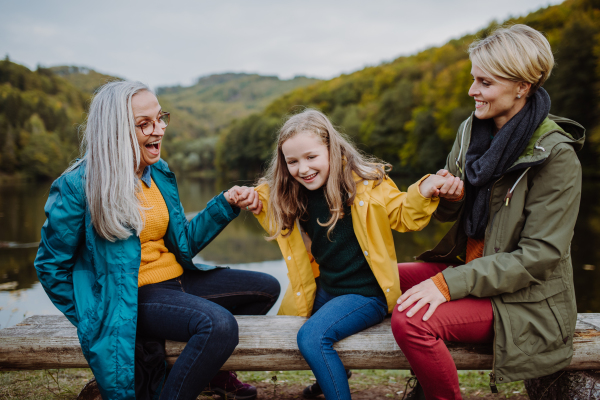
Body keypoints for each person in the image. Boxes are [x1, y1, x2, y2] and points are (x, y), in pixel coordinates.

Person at [34, 81, 280, 400]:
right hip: (135, 295)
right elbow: (50, 266)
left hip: (178, 279)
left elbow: (184, 244)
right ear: (116, 131)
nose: (159, 129)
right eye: (145, 124)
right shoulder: (79, 184)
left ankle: (211, 371)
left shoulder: (158, 172)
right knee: (219, 326)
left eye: (161, 117)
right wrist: (94, 314)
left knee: (265, 288)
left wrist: (225, 204)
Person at [391, 24, 585, 400]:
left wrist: (448, 285)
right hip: (474, 270)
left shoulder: (557, 156)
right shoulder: (470, 131)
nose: (472, 92)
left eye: (484, 82)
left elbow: (538, 257)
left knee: (411, 321)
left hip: (525, 299)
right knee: (379, 277)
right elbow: (451, 217)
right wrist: (449, 195)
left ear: (522, 86)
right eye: (472, 79)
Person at [246, 109, 459, 400]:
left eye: (311, 157)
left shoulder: (367, 183)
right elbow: (267, 200)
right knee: (291, 317)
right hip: (328, 288)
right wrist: (247, 197)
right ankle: (332, 377)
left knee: (311, 337)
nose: (303, 168)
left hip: (365, 293)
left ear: (332, 150)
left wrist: (423, 189)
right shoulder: (294, 191)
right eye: (292, 161)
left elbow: (403, 214)